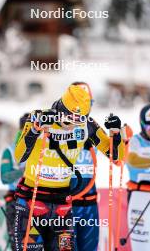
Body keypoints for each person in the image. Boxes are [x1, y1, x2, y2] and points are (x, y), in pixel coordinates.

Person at [14, 84, 125, 251]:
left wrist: (115, 134)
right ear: (60, 109)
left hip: (62, 204)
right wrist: (35, 131)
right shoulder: (39, 117)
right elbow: (19, 156)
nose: (73, 124)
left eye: (79, 119)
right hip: (32, 200)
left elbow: (116, 156)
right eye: (68, 119)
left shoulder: (86, 125)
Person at [69, 82, 99, 251]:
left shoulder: (93, 128)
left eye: (88, 103)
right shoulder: (60, 127)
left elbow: (116, 157)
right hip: (67, 205)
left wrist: (120, 140)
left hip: (90, 205)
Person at [126, 104, 150, 251]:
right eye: (149, 125)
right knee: (142, 247)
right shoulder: (135, 141)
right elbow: (132, 161)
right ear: (142, 124)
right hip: (140, 198)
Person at [0, 113, 29, 250]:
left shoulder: (40, 149)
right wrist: (23, 171)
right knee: (17, 241)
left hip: (36, 199)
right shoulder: (10, 151)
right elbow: (4, 177)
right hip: (15, 199)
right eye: (26, 129)